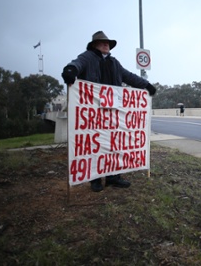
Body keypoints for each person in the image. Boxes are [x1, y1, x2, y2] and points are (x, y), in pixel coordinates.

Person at [62, 30, 157, 192]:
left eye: (108, 43)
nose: (106, 45)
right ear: (95, 45)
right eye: (103, 42)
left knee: (114, 144)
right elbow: (76, 64)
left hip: (113, 111)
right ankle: (95, 179)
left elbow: (128, 76)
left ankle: (113, 177)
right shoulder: (87, 57)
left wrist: (145, 85)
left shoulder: (114, 63)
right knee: (95, 144)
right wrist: (70, 70)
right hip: (94, 110)